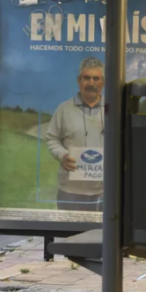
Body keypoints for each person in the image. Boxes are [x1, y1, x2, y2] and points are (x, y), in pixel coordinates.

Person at [45, 57, 105, 212]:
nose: (91, 83)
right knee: (71, 236)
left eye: (96, 78)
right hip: (70, 192)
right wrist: (62, 155)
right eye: (86, 78)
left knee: (100, 236)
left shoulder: (114, 110)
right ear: (79, 80)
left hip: (105, 191)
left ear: (103, 82)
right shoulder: (64, 109)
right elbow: (51, 138)